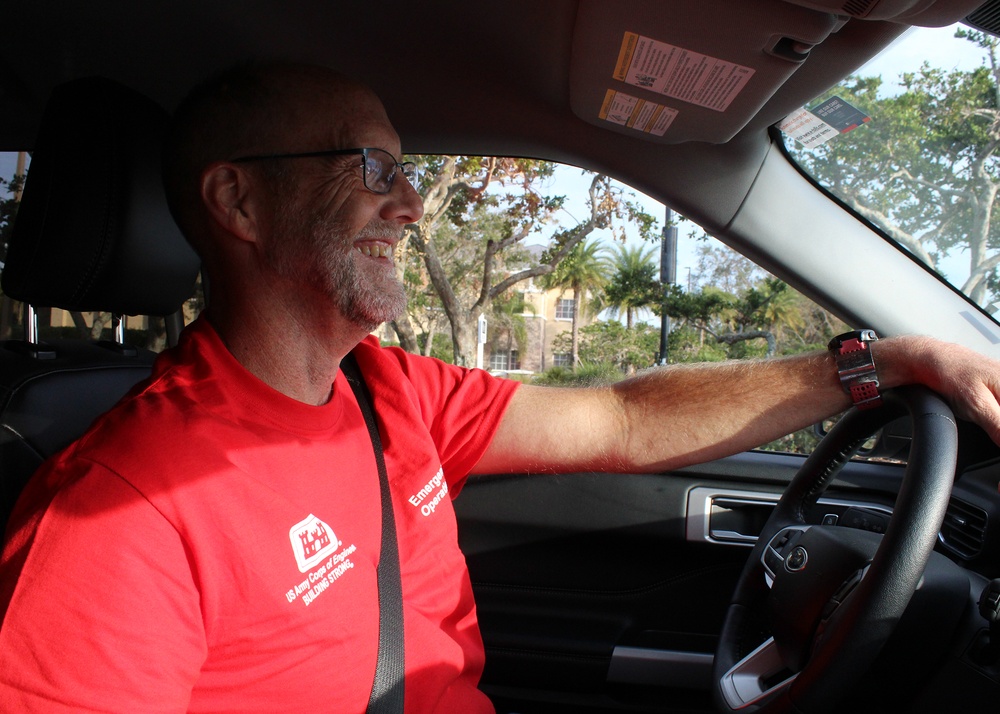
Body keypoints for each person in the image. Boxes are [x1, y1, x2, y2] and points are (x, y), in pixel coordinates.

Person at [2, 61, 1000, 713]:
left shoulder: (389, 391)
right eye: (373, 167)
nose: (412, 199)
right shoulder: (116, 513)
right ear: (237, 201)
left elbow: (621, 417)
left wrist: (889, 365)